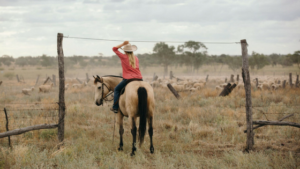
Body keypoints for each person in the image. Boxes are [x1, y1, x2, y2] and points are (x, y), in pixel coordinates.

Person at [110, 41, 143, 113]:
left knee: (116, 89)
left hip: (128, 79)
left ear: (125, 50)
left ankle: (115, 107)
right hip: (140, 78)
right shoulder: (136, 58)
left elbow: (114, 49)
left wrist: (123, 44)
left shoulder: (123, 57)